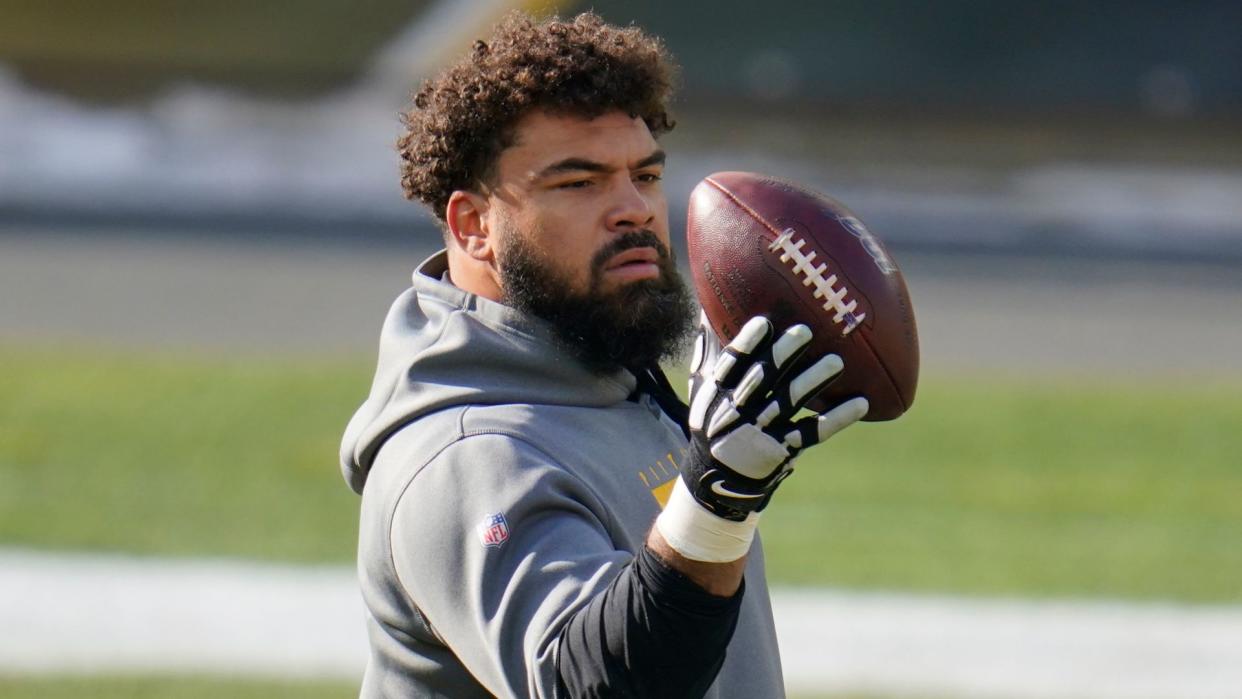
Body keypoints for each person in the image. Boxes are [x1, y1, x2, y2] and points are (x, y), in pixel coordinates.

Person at [340, 12, 868, 698]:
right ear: (474, 227)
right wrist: (716, 499)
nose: (634, 210)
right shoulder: (467, 456)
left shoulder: (610, 371)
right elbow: (585, 685)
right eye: (579, 183)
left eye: (644, 176)